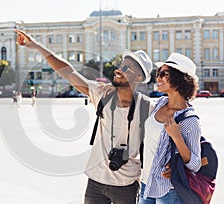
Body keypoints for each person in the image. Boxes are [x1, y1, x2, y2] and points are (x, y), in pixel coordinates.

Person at [14, 29, 154, 204]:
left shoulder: (148, 108)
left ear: (138, 77)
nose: (119, 70)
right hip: (95, 182)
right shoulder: (103, 94)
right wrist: (36, 46)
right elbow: (68, 71)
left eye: (126, 68)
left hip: (126, 185)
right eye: (120, 65)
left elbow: (168, 134)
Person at [138, 53, 201, 204]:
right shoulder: (160, 103)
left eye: (163, 74)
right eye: (157, 73)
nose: (158, 78)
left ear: (179, 79)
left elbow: (195, 164)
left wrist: (177, 137)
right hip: (146, 184)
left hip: (168, 191)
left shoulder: (190, 120)